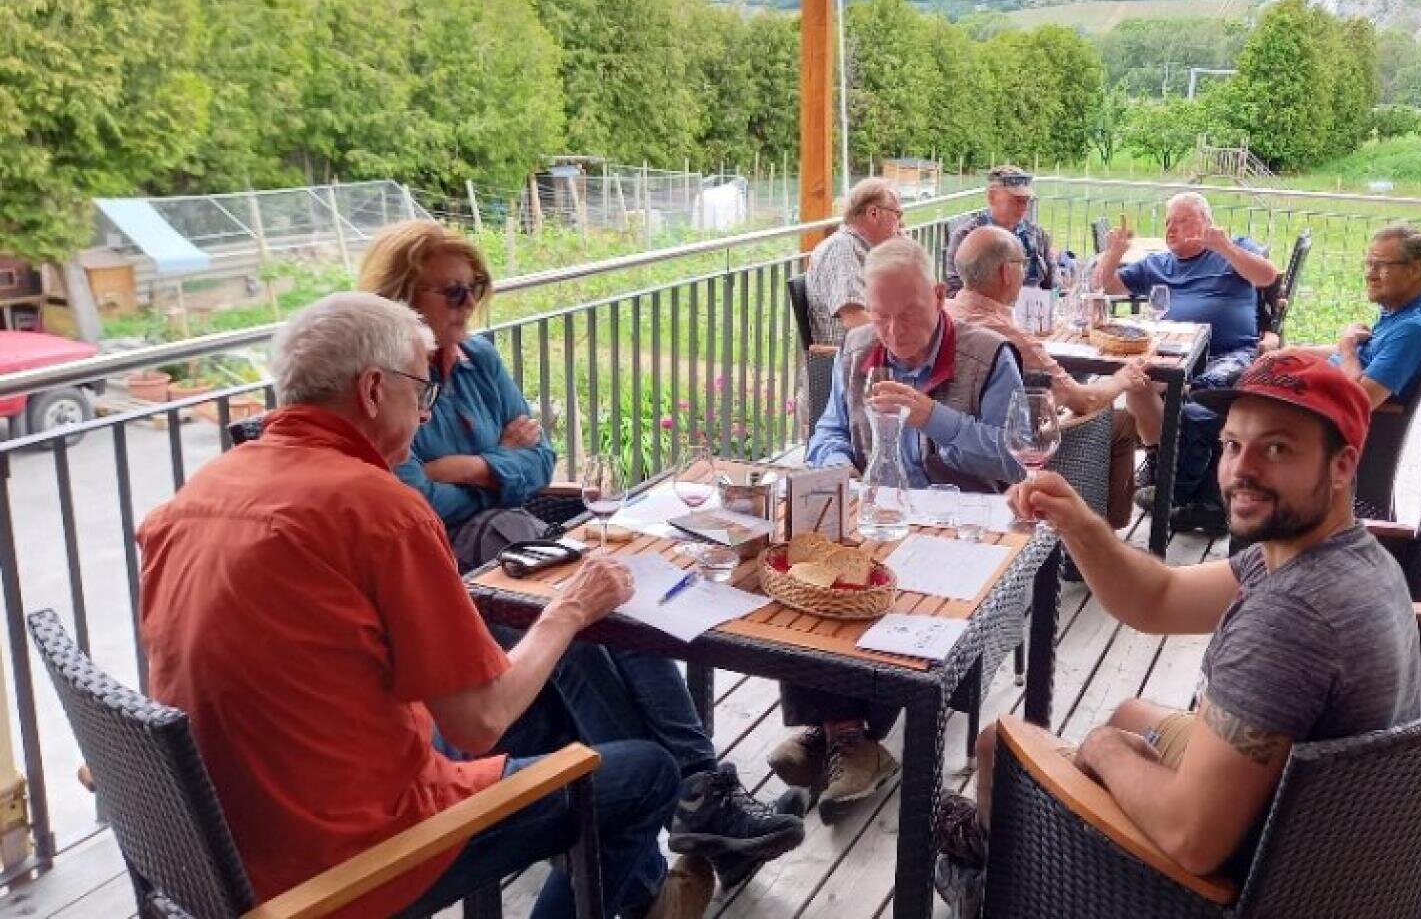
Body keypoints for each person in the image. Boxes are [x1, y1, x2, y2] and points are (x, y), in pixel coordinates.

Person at [137, 292, 709, 919]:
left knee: (545, 720)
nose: (427, 409)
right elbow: (479, 721)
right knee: (646, 774)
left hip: (218, 842)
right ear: (373, 390)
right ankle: (651, 880)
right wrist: (569, 610)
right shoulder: (378, 509)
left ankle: (645, 895)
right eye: (421, 390)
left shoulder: (196, 494)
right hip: (351, 859)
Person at [357, 223, 804, 893]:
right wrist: (497, 465)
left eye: (477, 286)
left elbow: (538, 461)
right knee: (578, 629)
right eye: (452, 290)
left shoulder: (480, 360)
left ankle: (699, 793)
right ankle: (695, 799)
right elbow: (412, 497)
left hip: (520, 543)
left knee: (625, 603)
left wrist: (467, 467)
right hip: (450, 573)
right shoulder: (386, 385)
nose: (469, 301)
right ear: (401, 295)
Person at [933, 350, 1421, 915]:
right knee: (1130, 715)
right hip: (1324, 833)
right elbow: (1159, 597)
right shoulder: (1337, 554)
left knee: (1000, 746)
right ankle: (994, 848)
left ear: (1341, 466)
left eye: (1277, 449)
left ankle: (996, 885)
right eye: (1233, 444)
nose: (1242, 469)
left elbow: (1192, 839)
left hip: (1244, 883)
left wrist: (1103, 750)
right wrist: (1078, 523)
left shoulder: (1288, 623)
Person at [772, 236, 1027, 822]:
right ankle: (845, 737)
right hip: (880, 522)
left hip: (963, 533)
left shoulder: (988, 357)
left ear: (939, 295)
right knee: (812, 574)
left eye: (908, 313)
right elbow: (830, 429)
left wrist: (934, 417)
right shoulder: (858, 347)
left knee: (893, 595)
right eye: (881, 315)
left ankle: (837, 736)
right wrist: (835, 464)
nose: (892, 330)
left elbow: (1013, 459)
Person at [946, 224, 1160, 527]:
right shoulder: (1007, 336)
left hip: (950, 450)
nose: (1024, 272)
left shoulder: (945, 315)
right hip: (1013, 458)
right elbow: (1085, 401)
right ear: (1007, 272)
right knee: (1122, 421)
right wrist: (1122, 379)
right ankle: (1100, 538)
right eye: (1022, 264)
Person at [1090, 191, 1280, 388]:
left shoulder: (1234, 248)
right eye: (1168, 222)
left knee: (1205, 390)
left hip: (1227, 356)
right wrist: (1114, 253)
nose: (1172, 228)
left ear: (1207, 222)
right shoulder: (1156, 264)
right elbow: (1103, 286)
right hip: (1170, 354)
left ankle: (1182, 399)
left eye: (1182, 220)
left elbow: (1267, 277)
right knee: (1136, 381)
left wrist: (1226, 248)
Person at [1305, 224, 1421, 409]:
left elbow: (1358, 401)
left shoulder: (1413, 330)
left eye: (1381, 265)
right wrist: (1291, 352)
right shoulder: (1403, 312)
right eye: (1369, 264)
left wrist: (1348, 347)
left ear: (1415, 270)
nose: (1370, 275)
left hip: (1317, 413)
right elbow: (1358, 356)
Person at [805, 176, 907, 345]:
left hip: (877, 349)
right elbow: (854, 319)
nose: (902, 224)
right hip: (851, 356)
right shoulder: (842, 249)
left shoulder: (868, 250)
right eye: (898, 214)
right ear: (873, 213)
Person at [943, 166, 1057, 295]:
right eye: (1017, 200)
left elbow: (1052, 285)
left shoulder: (1038, 235)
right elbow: (954, 290)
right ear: (992, 197)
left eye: (1026, 200)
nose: (1024, 207)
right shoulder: (966, 237)